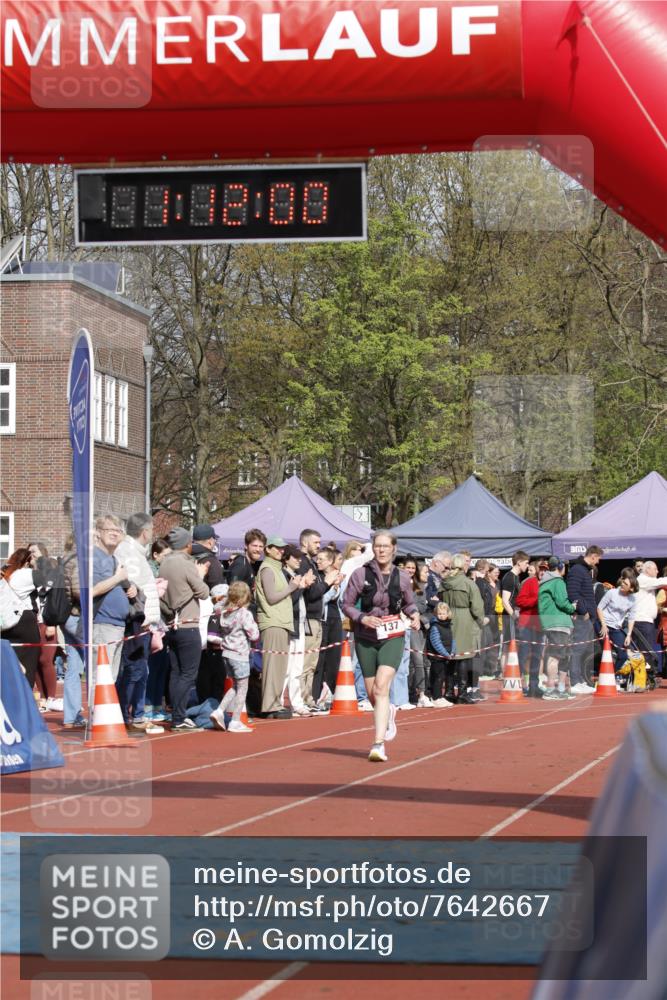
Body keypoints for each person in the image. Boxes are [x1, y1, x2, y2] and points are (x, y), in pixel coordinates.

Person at [342, 532, 420, 763]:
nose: (382, 550)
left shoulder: (403, 577)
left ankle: (378, 744)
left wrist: (415, 616)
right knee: (373, 693)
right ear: (373, 549)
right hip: (366, 636)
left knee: (381, 686)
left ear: (394, 549)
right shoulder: (360, 574)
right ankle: (389, 713)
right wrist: (362, 617)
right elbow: (345, 604)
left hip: (393, 635)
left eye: (386, 546)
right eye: (378, 546)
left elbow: (409, 603)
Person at [114, 513, 163, 733]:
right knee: (134, 671)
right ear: (145, 531)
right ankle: (129, 716)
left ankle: (134, 714)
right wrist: (142, 613)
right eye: (151, 531)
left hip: (143, 620)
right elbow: (131, 586)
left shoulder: (136, 553)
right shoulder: (130, 552)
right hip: (136, 621)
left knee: (140, 671)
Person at [159, 527, 210, 731]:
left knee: (176, 672)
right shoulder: (186, 564)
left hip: (171, 623)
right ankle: (179, 716)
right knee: (188, 674)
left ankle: (176, 713)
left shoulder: (164, 563)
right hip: (188, 624)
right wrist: (201, 574)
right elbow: (203, 592)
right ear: (187, 544)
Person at [256, 536, 309, 719]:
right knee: (273, 666)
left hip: (281, 622)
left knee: (279, 667)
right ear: (268, 549)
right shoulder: (268, 569)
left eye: (282, 548)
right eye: (276, 548)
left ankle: (274, 703)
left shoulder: (275, 569)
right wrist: (292, 587)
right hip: (273, 622)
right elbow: (271, 597)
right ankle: (270, 705)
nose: (281, 551)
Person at [91, 515, 137, 683]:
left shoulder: (113, 559)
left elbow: (118, 580)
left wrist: (129, 586)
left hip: (118, 625)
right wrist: (119, 578)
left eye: (118, 530)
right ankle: (96, 710)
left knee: (111, 678)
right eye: (109, 529)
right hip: (103, 624)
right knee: (102, 678)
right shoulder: (94, 558)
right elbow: (92, 590)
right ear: (98, 533)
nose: (115, 533)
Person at [209, 581, 259, 733]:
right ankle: (235, 720)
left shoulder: (223, 611)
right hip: (240, 654)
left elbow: (217, 606)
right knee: (242, 687)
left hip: (226, 653)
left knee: (235, 686)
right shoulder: (244, 614)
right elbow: (254, 634)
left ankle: (219, 711)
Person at [439, 553, 485, 703]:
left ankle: (450, 691)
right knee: (464, 656)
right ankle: (463, 693)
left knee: (450, 656)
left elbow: (439, 599)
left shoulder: (444, 582)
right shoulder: (468, 583)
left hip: (447, 617)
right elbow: (477, 606)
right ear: (462, 566)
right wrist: (480, 620)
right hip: (465, 619)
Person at [281, 544, 316, 717]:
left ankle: (297, 703)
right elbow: (286, 600)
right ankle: (280, 702)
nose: (299, 560)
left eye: (300, 557)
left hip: (300, 624)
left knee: (297, 667)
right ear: (286, 559)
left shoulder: (295, 575)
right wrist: (300, 586)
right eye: (295, 557)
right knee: (287, 668)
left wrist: (306, 585)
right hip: (290, 625)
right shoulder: (284, 575)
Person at [297, 529, 329, 710]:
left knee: (312, 662)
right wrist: (327, 583)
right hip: (308, 618)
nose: (319, 546)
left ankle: (308, 697)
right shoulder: (303, 563)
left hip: (316, 618)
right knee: (306, 662)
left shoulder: (311, 563)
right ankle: (302, 698)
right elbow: (311, 593)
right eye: (316, 542)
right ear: (305, 542)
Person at [27, 542, 61, 711]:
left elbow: (55, 597)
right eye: (29, 552)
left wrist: (52, 623)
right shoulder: (27, 574)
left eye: (34, 551)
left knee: (45, 659)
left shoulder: (52, 571)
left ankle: (51, 698)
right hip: (32, 623)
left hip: (47, 622)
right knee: (35, 661)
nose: (31, 554)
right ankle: (41, 698)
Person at [566, 544, 604, 693]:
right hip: (583, 618)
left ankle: (580, 680)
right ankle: (575, 682)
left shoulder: (583, 571)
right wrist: (583, 611)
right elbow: (573, 593)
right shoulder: (577, 570)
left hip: (588, 618)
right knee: (578, 649)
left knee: (584, 650)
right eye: (598, 559)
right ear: (593, 556)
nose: (598, 562)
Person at [0, 547, 40, 688]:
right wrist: (39, 561)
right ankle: (24, 701)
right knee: (28, 664)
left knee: (9, 665)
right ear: (26, 562)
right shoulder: (25, 574)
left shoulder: (5, 575)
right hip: (23, 622)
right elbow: (49, 577)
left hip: (5, 623)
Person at [538, 557, 577, 700]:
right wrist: (572, 608)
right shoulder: (557, 581)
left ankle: (560, 688)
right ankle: (550, 689)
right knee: (556, 656)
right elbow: (562, 602)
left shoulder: (545, 582)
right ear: (560, 567)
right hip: (558, 623)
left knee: (564, 656)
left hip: (555, 622)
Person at [312, 547, 344, 706]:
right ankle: (317, 695)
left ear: (330, 561)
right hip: (322, 620)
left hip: (336, 619)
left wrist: (337, 586)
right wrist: (332, 587)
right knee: (320, 659)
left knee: (334, 658)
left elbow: (343, 601)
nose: (317, 562)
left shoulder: (339, 577)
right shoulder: (318, 578)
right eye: (317, 559)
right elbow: (320, 600)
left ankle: (331, 693)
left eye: (321, 559)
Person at [627, 561, 667, 681]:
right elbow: (662, 581)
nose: (657, 571)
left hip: (645, 621)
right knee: (645, 651)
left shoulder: (645, 582)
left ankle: (645, 678)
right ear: (648, 569)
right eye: (655, 569)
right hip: (642, 621)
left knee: (646, 651)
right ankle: (642, 679)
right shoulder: (643, 580)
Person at [515, 559, 549, 698]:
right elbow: (519, 601)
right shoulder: (529, 582)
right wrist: (535, 601)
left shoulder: (549, 584)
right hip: (526, 624)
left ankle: (533, 686)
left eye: (545, 570)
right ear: (537, 570)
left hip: (540, 626)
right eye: (541, 569)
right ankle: (516, 684)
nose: (542, 572)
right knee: (522, 655)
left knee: (536, 656)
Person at [596, 569, 637, 675]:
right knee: (606, 651)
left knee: (623, 655)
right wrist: (603, 625)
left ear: (631, 588)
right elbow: (599, 608)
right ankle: (599, 673)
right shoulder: (612, 592)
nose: (622, 583)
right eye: (623, 581)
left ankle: (611, 676)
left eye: (625, 583)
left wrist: (629, 635)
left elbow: (632, 618)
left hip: (616, 627)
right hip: (602, 623)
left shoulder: (632, 599)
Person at [500, 550, 530, 664]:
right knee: (508, 647)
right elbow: (505, 601)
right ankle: (505, 676)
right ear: (519, 562)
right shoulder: (509, 577)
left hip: (513, 617)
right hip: (510, 618)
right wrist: (515, 617)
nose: (527, 566)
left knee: (511, 646)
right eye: (526, 563)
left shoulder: (516, 577)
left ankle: (509, 674)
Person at [410, 563, 433, 707]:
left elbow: (424, 607)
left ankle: (419, 693)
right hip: (411, 626)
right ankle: (420, 694)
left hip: (421, 628)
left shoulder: (423, 589)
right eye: (425, 571)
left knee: (421, 661)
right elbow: (411, 605)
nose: (428, 574)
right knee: (416, 661)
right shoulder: (413, 587)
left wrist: (424, 617)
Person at [426, 602, 456, 706]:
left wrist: (452, 651)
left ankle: (439, 696)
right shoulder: (435, 626)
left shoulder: (448, 625)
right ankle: (436, 697)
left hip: (446, 656)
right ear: (435, 614)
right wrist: (445, 653)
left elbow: (453, 640)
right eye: (439, 613)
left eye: (443, 613)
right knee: (437, 677)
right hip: (437, 657)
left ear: (448, 614)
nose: (441, 616)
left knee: (442, 677)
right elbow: (436, 642)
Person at [476, 562, 501, 678]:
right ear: (489, 573)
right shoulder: (483, 584)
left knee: (495, 644)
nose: (498, 574)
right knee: (486, 643)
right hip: (488, 616)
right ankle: (484, 671)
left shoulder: (498, 584)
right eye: (495, 572)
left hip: (498, 618)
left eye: (498, 572)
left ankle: (492, 669)